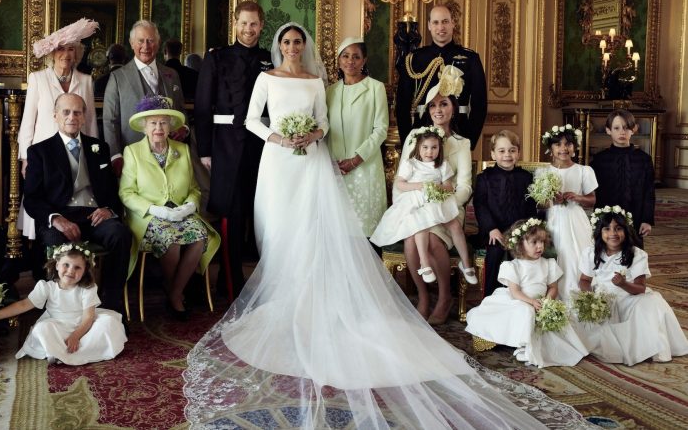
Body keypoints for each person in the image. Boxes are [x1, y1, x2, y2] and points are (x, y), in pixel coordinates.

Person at [183, 23, 583, 429]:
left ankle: (339, 294)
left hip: (325, 165)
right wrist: (283, 139)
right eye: (286, 41)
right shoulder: (272, 77)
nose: (291, 46)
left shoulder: (325, 83)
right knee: (280, 227)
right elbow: (253, 119)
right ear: (281, 46)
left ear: (306, 46)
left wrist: (318, 140)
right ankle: (288, 291)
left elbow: (329, 124)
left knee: (325, 230)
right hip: (282, 162)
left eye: (297, 41)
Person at [23, 93, 132, 316]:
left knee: (119, 234)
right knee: (53, 239)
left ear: (84, 117)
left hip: (94, 216)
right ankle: (59, 309)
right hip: (61, 216)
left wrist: (108, 209)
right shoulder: (39, 151)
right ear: (55, 116)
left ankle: (111, 306)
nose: (72, 117)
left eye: (77, 112)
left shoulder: (99, 148)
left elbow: (112, 190)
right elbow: (32, 199)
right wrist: (57, 220)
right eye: (66, 112)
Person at [194, 1, 273, 297]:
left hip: (263, 145)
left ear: (262, 25)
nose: (248, 30)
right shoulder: (217, 58)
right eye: (243, 23)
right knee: (232, 212)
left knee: (262, 212)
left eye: (254, 24)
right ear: (235, 23)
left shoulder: (270, 58)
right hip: (226, 145)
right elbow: (203, 106)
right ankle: (231, 283)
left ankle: (263, 282)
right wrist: (205, 150)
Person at [118, 95, 220, 320]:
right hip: (147, 215)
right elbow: (126, 193)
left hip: (180, 212)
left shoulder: (181, 150)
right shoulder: (133, 152)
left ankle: (174, 291)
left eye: (163, 122)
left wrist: (189, 206)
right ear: (144, 127)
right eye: (153, 123)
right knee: (171, 239)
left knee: (200, 236)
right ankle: (173, 291)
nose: (158, 128)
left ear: (170, 125)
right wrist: (155, 210)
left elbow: (194, 188)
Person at [397, 64, 473, 324]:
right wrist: (412, 204)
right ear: (427, 110)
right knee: (411, 240)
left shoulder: (462, 144)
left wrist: (445, 206)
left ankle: (443, 297)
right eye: (433, 106)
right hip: (417, 204)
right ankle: (423, 296)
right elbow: (401, 180)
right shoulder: (414, 138)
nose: (438, 111)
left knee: (431, 240)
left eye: (444, 105)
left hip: (447, 208)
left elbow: (464, 187)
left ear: (453, 108)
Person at [465, 218, 588, 368]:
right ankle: (524, 345)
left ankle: (544, 345)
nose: (540, 246)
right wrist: (532, 302)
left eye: (542, 242)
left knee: (561, 316)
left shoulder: (548, 264)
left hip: (541, 301)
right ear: (520, 245)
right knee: (526, 311)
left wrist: (547, 302)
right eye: (534, 242)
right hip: (520, 300)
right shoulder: (513, 266)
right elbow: (515, 292)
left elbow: (553, 287)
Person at [19, 18, 100, 240]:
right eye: (61, 49)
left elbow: (91, 120)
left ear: (77, 54)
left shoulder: (85, 80)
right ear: (52, 53)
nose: (65, 54)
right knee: (43, 200)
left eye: (70, 49)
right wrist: (26, 157)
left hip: (77, 149)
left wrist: (94, 154)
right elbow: (28, 121)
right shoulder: (37, 79)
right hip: (43, 154)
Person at [575, 207, 688, 365]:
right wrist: (590, 297)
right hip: (602, 297)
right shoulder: (591, 253)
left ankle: (649, 347)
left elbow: (640, 288)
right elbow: (584, 280)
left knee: (651, 303)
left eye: (618, 229)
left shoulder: (636, 254)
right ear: (600, 232)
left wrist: (623, 284)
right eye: (607, 229)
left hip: (628, 297)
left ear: (626, 231)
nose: (613, 234)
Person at [371, 126, 477, 292]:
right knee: (420, 225)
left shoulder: (442, 165)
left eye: (434, 147)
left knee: (455, 225)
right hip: (416, 201)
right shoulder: (410, 163)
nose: (429, 152)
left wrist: (439, 189)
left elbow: (449, 186)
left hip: (436, 201)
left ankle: (466, 263)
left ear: (439, 149)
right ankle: (424, 263)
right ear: (418, 148)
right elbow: (400, 184)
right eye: (425, 147)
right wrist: (420, 185)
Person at [0, 242, 127, 365]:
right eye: (66, 265)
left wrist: (76, 335)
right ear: (57, 265)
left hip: (84, 326)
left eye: (77, 268)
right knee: (41, 329)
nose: (71, 271)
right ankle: (59, 352)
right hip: (58, 326)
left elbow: (89, 317)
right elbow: (23, 305)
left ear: (84, 271)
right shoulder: (46, 287)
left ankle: (74, 351)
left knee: (108, 322)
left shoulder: (87, 288)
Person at [396, 4, 487, 148]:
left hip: (459, 131)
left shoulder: (470, 58)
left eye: (445, 21)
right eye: (436, 22)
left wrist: (470, 139)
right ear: (429, 26)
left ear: (453, 24)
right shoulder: (415, 59)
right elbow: (402, 105)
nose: (441, 28)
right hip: (422, 132)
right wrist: (408, 140)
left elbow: (479, 104)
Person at [103, 20, 186, 177]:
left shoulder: (172, 74)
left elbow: (181, 111)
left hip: (170, 157)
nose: (146, 46)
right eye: (141, 41)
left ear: (158, 43)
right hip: (133, 158)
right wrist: (115, 155)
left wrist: (184, 127)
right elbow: (110, 120)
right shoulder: (117, 78)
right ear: (132, 43)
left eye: (151, 40)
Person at [325, 37, 388, 237]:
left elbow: (381, 129)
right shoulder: (330, 91)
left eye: (356, 57)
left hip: (365, 166)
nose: (350, 61)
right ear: (339, 59)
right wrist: (332, 162)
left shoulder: (376, 88)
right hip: (336, 167)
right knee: (338, 229)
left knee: (365, 229)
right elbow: (325, 129)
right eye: (345, 56)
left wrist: (356, 159)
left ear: (364, 60)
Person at [473, 130, 538, 296]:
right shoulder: (484, 178)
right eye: (501, 151)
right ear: (493, 154)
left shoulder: (526, 177)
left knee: (522, 250)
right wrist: (491, 228)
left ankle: (523, 296)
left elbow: (531, 205)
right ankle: (491, 297)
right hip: (494, 230)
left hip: (520, 229)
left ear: (518, 152)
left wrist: (527, 229)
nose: (507, 155)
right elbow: (480, 205)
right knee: (495, 251)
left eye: (512, 150)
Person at [540, 124, 597, 300]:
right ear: (551, 148)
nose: (563, 148)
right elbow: (540, 203)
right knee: (557, 252)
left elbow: (592, 200)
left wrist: (577, 198)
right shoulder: (543, 172)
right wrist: (551, 200)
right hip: (554, 219)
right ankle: (553, 295)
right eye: (558, 144)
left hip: (575, 218)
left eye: (568, 144)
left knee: (576, 254)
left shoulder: (583, 170)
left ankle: (579, 294)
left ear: (575, 147)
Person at [590, 109, 655, 243]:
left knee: (633, 256)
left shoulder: (644, 159)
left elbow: (649, 192)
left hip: (635, 218)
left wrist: (647, 220)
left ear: (634, 129)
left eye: (626, 128)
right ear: (608, 130)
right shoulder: (599, 160)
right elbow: (594, 193)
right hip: (606, 220)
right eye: (616, 128)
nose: (622, 132)